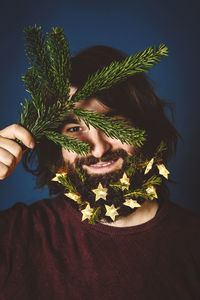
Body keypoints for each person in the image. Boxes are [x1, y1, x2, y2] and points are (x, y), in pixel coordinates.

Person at [0, 45, 200, 299]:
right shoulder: (15, 236)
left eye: (112, 123)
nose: (98, 149)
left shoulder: (194, 243)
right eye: (74, 128)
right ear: (55, 145)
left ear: (145, 129)